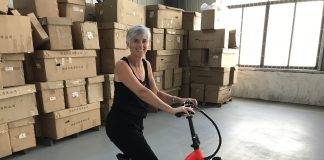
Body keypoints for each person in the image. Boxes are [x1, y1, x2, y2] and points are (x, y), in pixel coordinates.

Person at [105, 25, 198, 160]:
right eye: (136, 41)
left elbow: (155, 92)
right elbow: (141, 91)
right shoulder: (122, 65)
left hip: (137, 123)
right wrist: (172, 111)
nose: (140, 45)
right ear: (128, 44)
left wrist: (180, 100)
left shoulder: (146, 64)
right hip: (120, 125)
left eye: (144, 40)